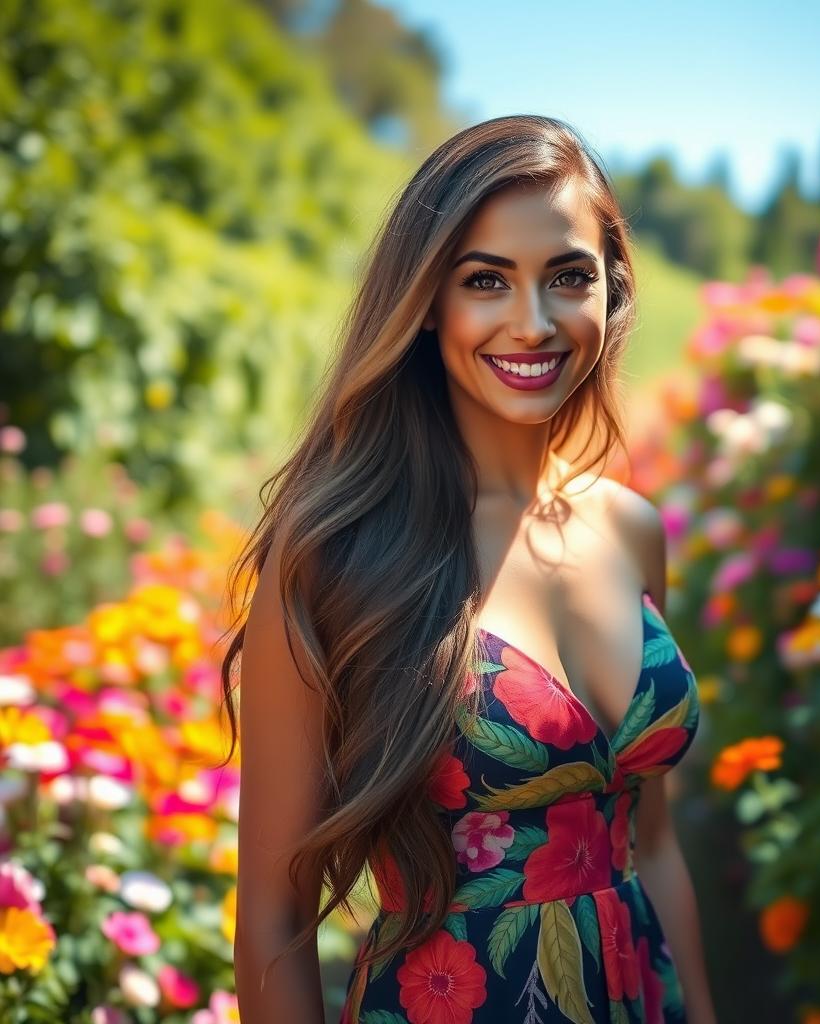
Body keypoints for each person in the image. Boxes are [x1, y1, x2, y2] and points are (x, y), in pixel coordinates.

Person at [223, 113, 717, 1024]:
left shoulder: (633, 530)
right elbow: (271, 916)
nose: (532, 323)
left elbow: (655, 844)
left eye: (568, 277)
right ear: (428, 303)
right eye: (486, 280)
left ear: (610, 292)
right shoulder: (336, 552)